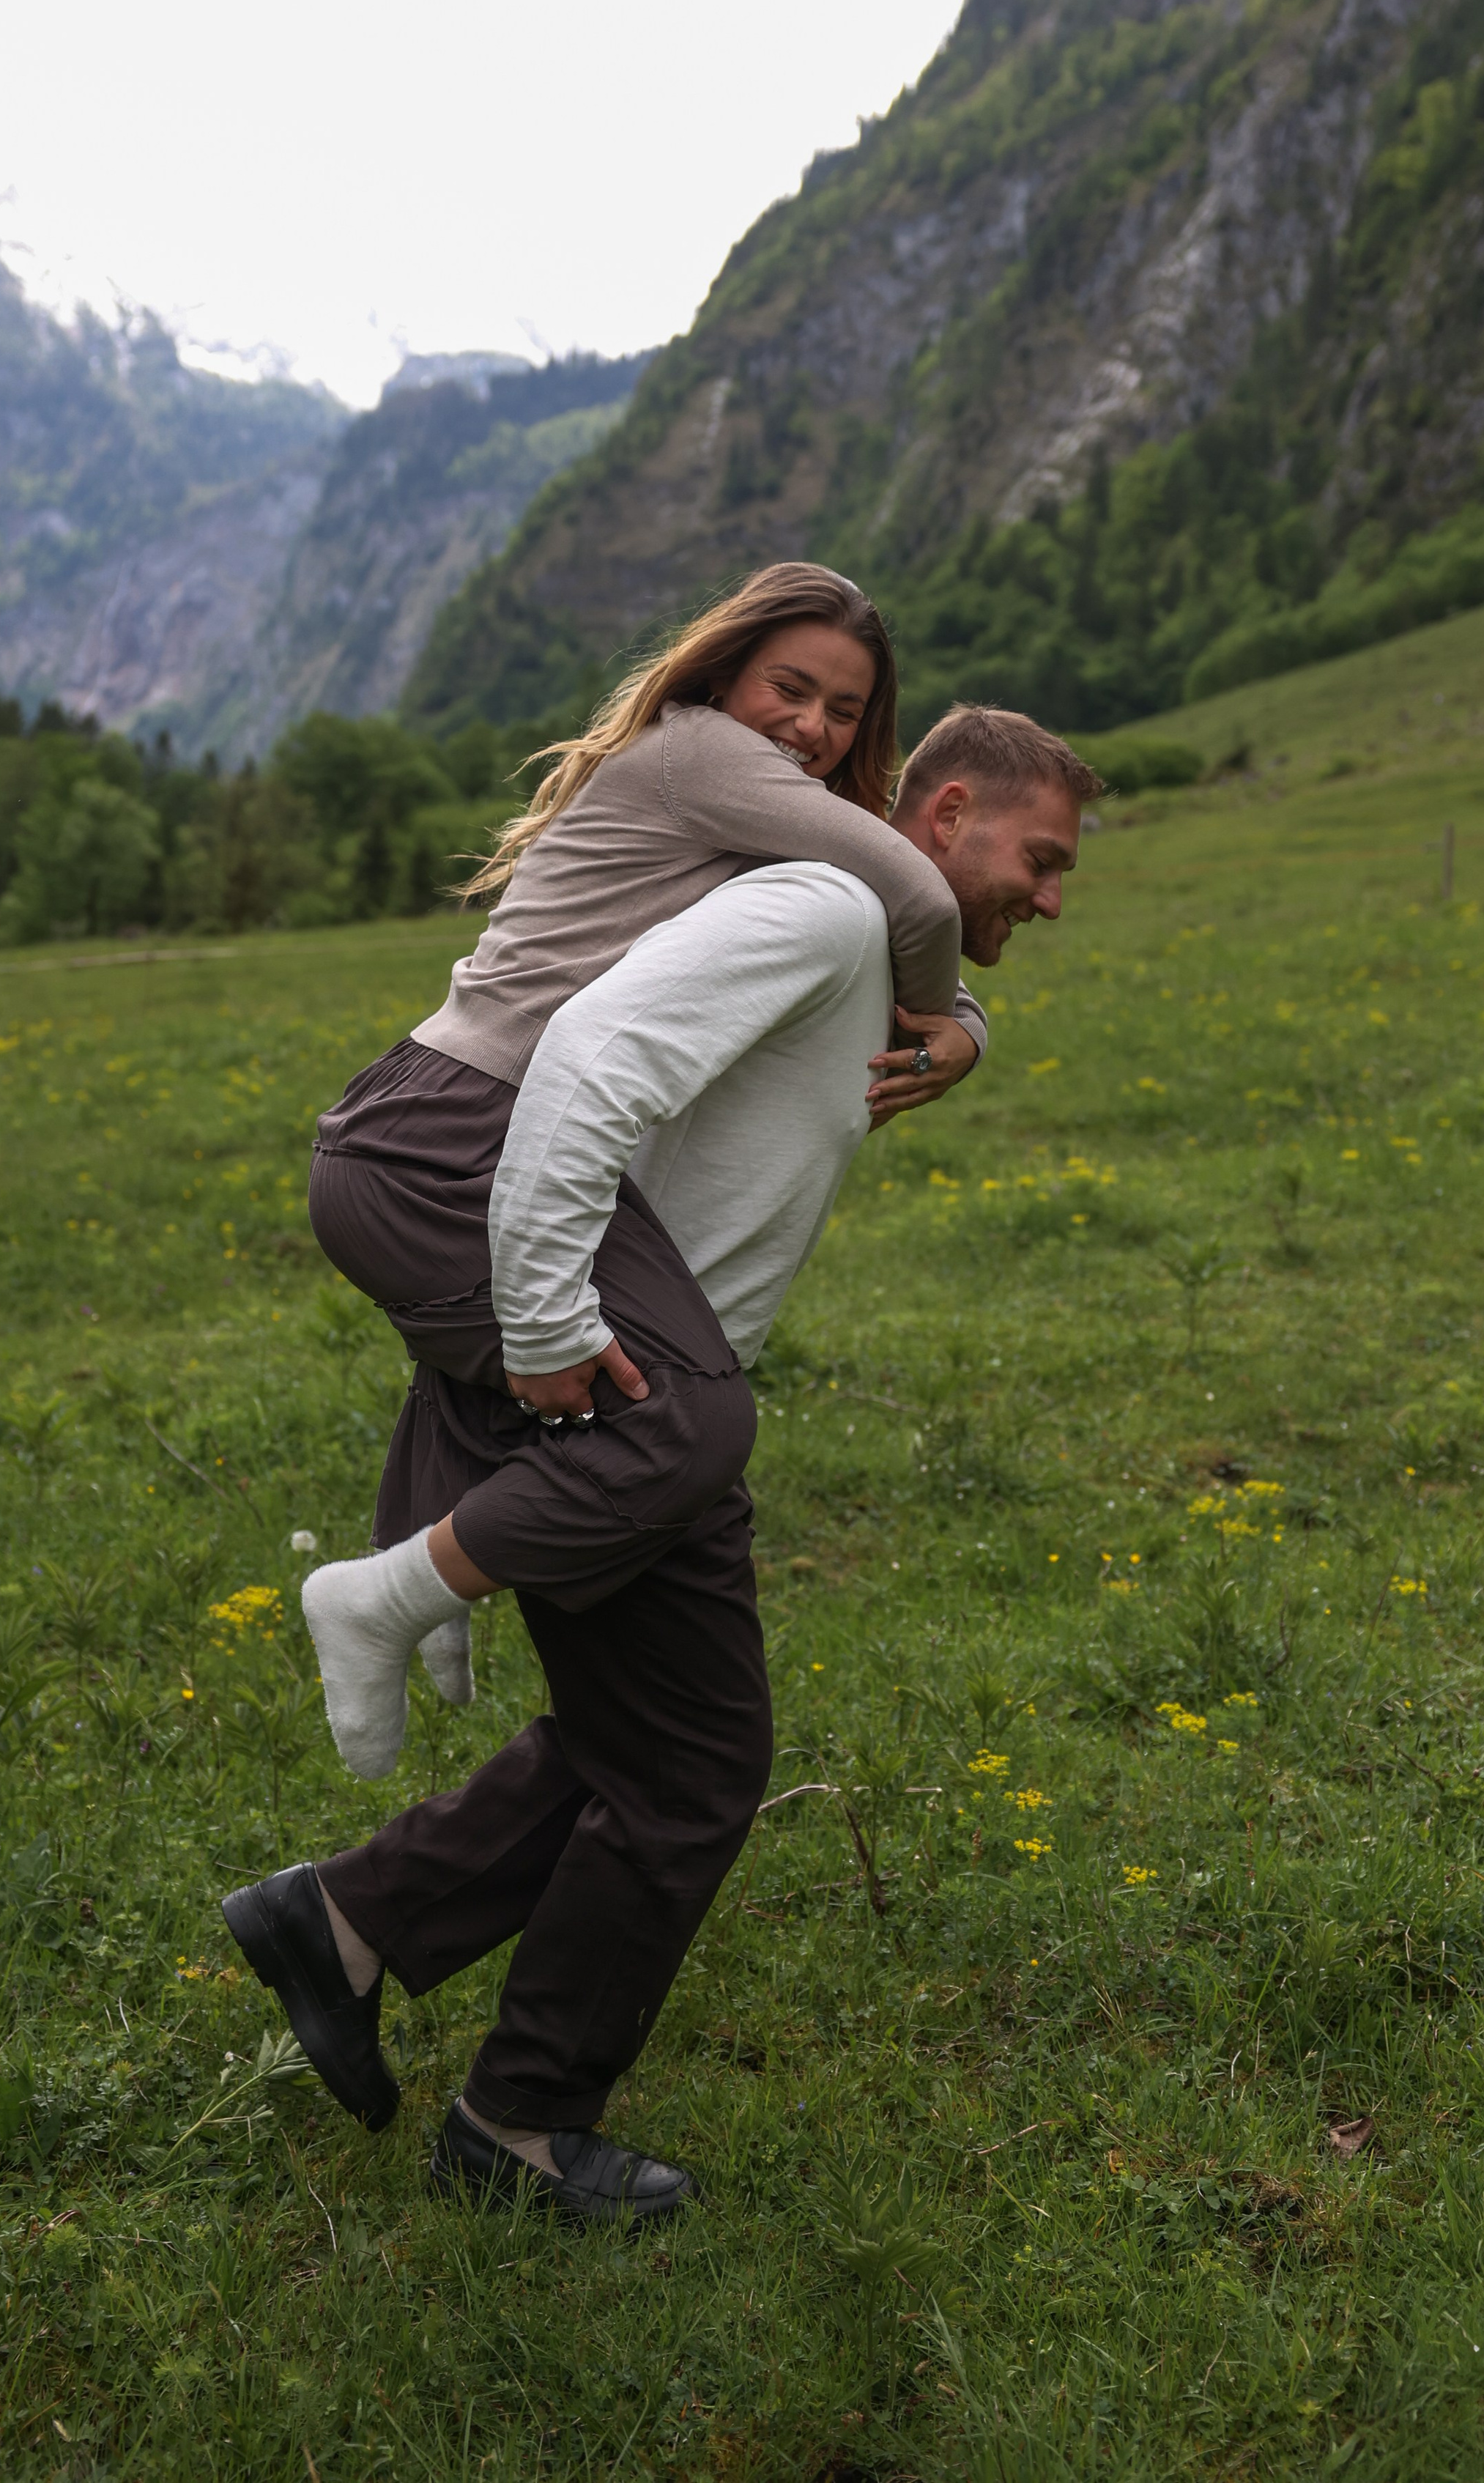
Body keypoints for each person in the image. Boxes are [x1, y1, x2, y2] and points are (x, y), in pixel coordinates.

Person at [221, 698, 1099, 2224]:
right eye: (1040, 857)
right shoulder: (822, 906)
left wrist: (968, 1020)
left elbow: (895, 993)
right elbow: (588, 1061)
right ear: (942, 814)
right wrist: (553, 1324)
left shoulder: (847, 935)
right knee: (690, 1767)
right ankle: (518, 2123)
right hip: (621, 1378)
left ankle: (344, 1926)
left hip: (635, 1370)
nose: (1051, 894)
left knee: (651, 1741)